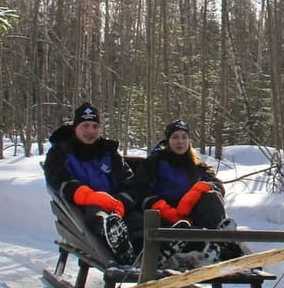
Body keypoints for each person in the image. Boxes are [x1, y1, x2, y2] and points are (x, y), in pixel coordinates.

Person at [43, 102, 141, 265]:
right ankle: (121, 248)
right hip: (81, 211)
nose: (91, 131)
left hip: (116, 205)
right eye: (85, 126)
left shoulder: (108, 151)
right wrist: (91, 197)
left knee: (137, 220)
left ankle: (149, 253)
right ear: (75, 127)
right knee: (97, 217)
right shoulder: (61, 152)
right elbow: (59, 178)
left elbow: (127, 180)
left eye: (95, 126)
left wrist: (120, 202)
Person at [135, 120, 242, 268]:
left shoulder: (197, 165)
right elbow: (139, 188)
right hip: (164, 214)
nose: (180, 142)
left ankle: (217, 241)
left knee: (211, 196)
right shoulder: (154, 162)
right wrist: (158, 205)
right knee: (174, 226)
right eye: (175, 137)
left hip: (191, 214)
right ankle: (179, 249)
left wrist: (199, 190)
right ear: (168, 140)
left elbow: (217, 184)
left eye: (184, 137)